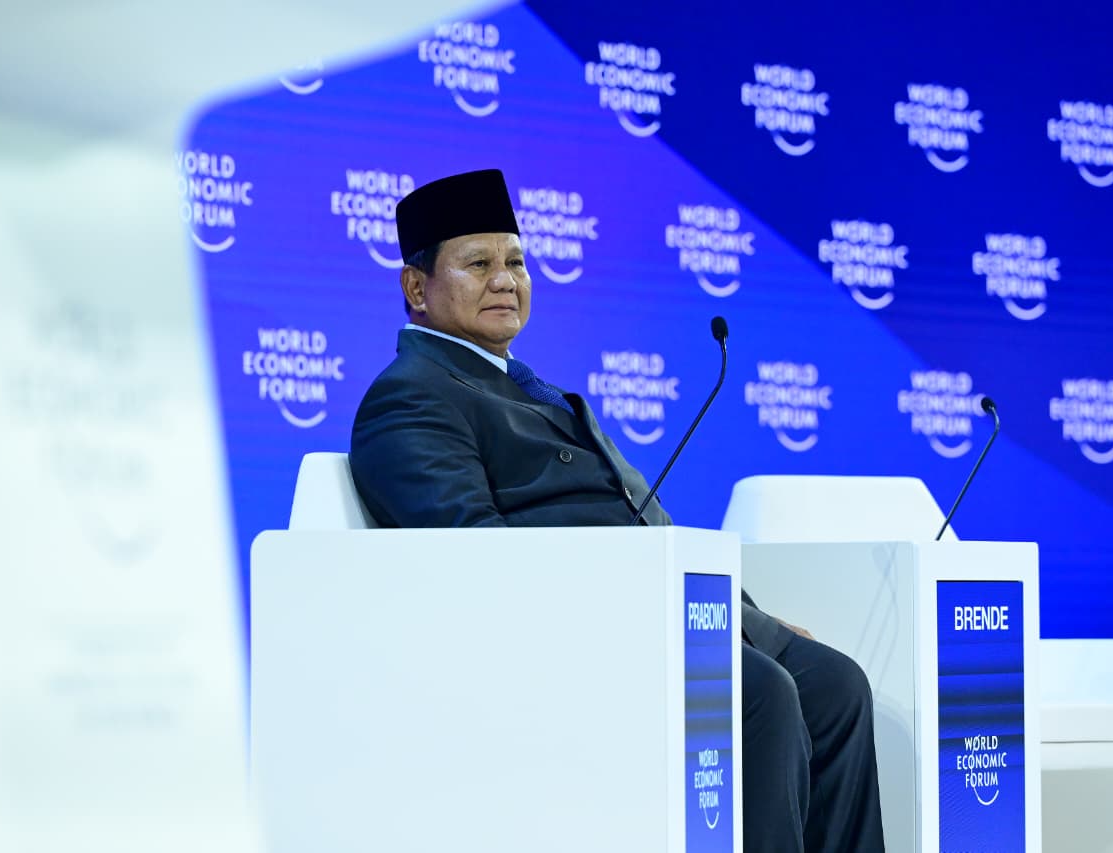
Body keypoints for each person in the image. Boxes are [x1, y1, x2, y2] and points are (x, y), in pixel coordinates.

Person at [349, 168, 885, 853]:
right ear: (416, 288)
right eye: (478, 264)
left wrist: (740, 607)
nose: (506, 280)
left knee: (837, 685)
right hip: (572, 639)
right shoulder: (411, 396)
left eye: (517, 262)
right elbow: (477, 560)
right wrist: (631, 607)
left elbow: (644, 516)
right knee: (757, 693)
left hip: (664, 613)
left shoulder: (537, 389)